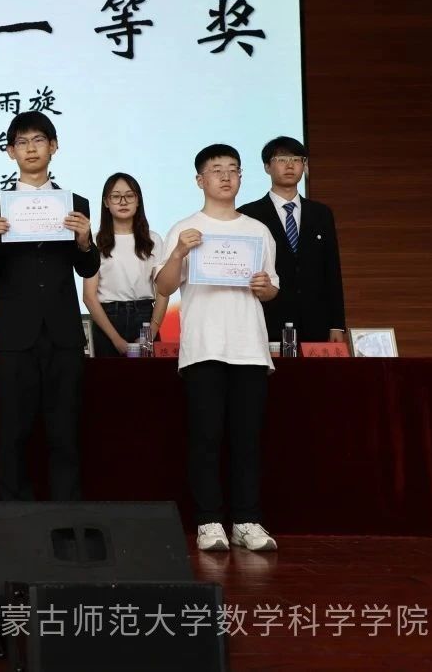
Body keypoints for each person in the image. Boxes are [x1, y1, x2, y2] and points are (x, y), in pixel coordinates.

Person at [154, 144, 279, 553]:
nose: (226, 176)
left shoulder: (258, 230)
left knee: (248, 439)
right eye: (216, 169)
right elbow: (163, 286)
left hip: (249, 347)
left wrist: (265, 287)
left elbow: (271, 289)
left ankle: (247, 521)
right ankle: (209, 522)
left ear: (241, 177)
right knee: (205, 438)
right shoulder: (184, 228)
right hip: (203, 347)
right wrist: (179, 252)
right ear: (200, 180)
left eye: (233, 169)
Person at [0, 111, 98, 503]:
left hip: (63, 334)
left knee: (65, 431)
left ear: (53, 147)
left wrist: (84, 241)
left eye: (38, 140)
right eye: (22, 142)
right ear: (10, 152)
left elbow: (87, 267)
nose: (30, 149)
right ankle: (15, 517)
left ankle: (67, 515)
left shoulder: (76, 204)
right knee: (13, 431)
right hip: (15, 336)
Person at [238, 137, 346, 344]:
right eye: (281, 159)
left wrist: (336, 324)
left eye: (297, 159)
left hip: (316, 321)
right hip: (267, 320)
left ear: (304, 166)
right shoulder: (248, 214)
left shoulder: (321, 214)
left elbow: (332, 270)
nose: (290, 165)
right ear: (267, 167)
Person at [82, 172, 169, 357]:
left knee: (149, 376)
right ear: (106, 202)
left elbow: (162, 291)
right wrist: (116, 339)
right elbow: (89, 296)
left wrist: (150, 334)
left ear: (138, 201)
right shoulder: (95, 241)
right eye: (116, 196)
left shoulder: (153, 240)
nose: (123, 202)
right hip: (107, 320)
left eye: (129, 196)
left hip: (145, 317)